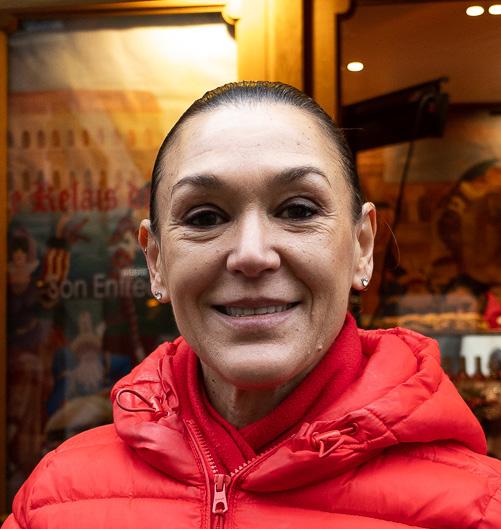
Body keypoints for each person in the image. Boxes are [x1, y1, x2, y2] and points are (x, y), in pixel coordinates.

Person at [5, 81, 501, 529]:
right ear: (155, 261)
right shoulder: (54, 503)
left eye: (298, 210)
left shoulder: (477, 509)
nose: (251, 254)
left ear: (362, 247)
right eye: (204, 217)